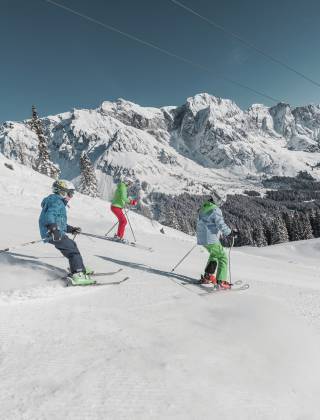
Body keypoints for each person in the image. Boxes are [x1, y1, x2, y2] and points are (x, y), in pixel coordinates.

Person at [39, 180, 95, 286]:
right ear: (62, 192)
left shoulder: (56, 201)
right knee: (72, 251)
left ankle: (78, 267)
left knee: (71, 246)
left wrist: (71, 229)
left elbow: (59, 222)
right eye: (70, 193)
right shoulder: (56, 202)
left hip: (54, 231)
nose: (71, 196)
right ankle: (78, 273)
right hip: (53, 232)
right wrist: (53, 229)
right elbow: (49, 216)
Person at [196, 193, 233, 289]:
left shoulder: (205, 206)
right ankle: (221, 282)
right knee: (223, 257)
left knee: (214, 255)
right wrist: (230, 233)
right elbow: (220, 224)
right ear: (217, 199)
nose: (222, 203)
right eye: (221, 201)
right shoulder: (215, 210)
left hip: (202, 237)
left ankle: (207, 276)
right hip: (210, 238)